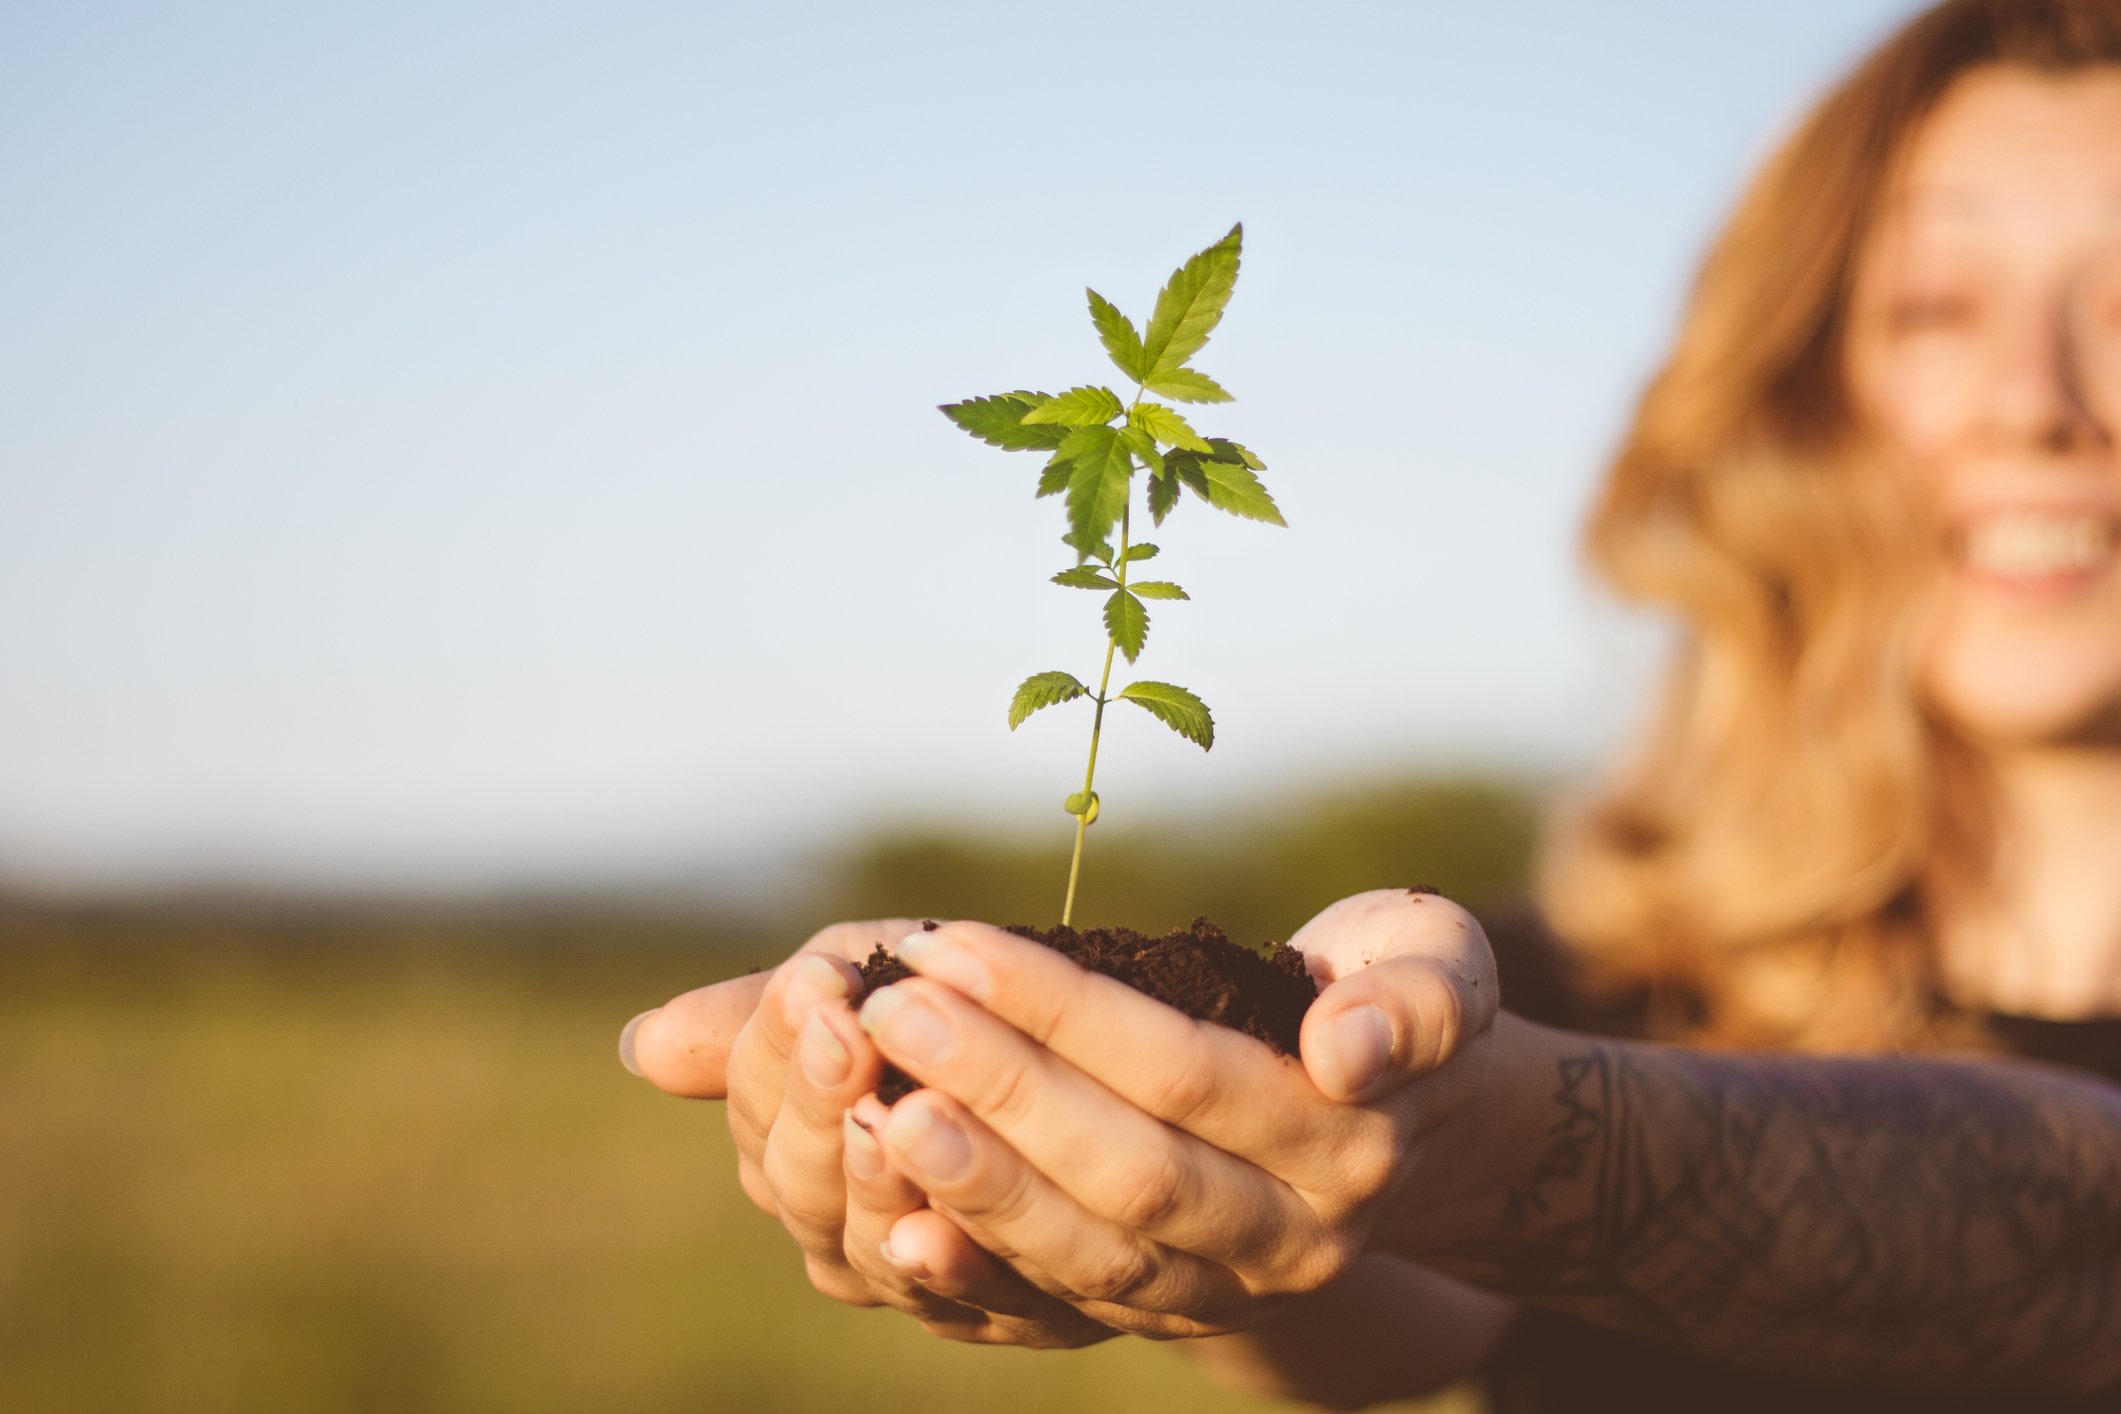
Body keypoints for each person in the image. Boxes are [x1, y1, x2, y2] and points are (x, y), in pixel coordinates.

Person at [620, 1, 2121, 1407]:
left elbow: (2077, 1236)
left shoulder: (1526, 1064)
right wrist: (1162, 1175)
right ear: (1809, 393)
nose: (2038, 398)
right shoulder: (1587, 983)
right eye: (1936, 308)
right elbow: (1373, 1305)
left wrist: (1490, 1148)